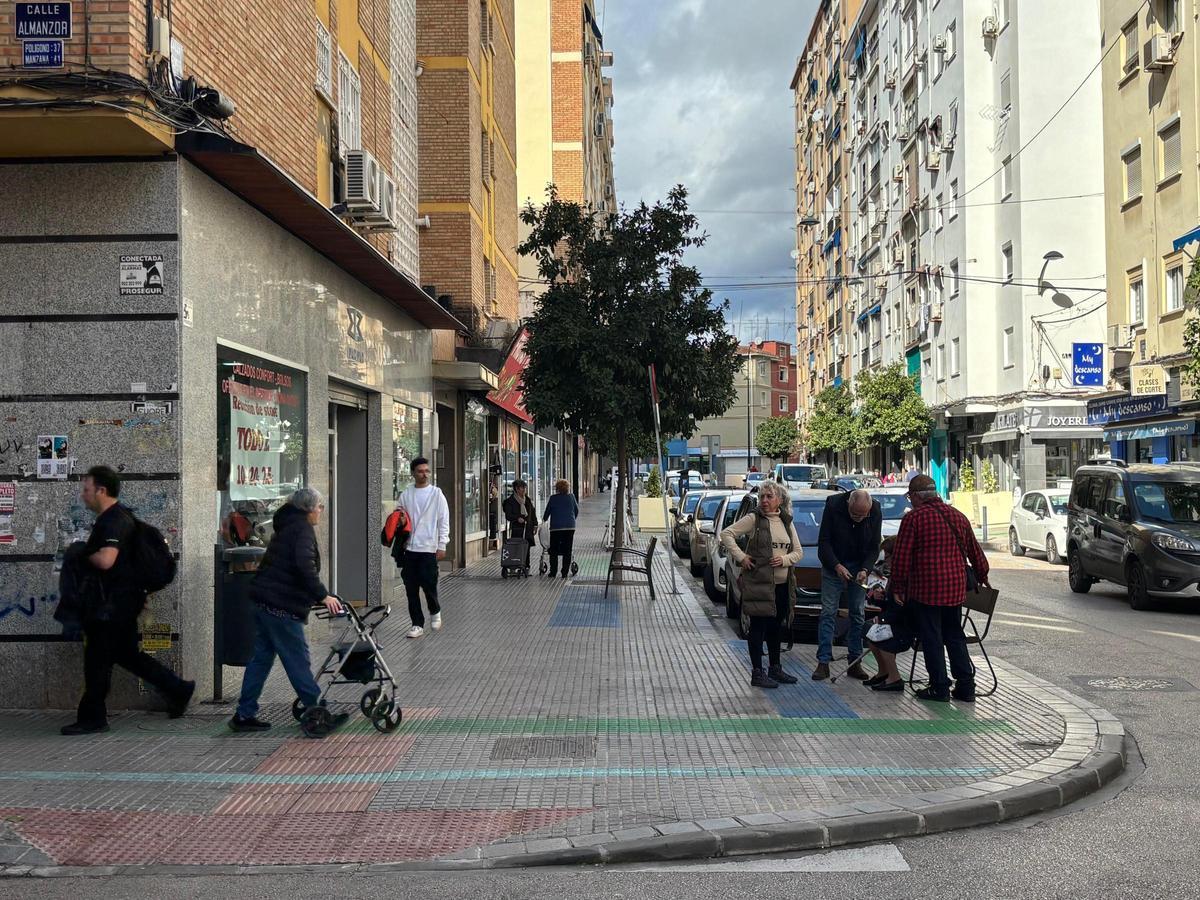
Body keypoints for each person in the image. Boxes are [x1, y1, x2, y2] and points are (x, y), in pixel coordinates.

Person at [61, 466, 195, 735]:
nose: (83, 494)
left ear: (101, 490)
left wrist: (79, 552)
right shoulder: (118, 517)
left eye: (87, 489)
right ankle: (177, 689)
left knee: (97, 660)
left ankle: (93, 717)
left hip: (112, 606)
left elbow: (106, 560)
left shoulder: (113, 520)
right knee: (126, 655)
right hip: (120, 603)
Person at [230, 487, 346, 735]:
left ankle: (244, 714)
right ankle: (316, 709)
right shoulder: (302, 529)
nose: (321, 511)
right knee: (297, 660)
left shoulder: (288, 524)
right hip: (281, 606)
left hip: (264, 601)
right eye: (320, 506)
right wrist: (323, 596)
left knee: (261, 659)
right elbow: (305, 567)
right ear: (309, 509)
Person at [890, 474, 990, 702]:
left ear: (916, 496)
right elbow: (975, 551)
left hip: (926, 591)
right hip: (955, 590)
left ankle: (939, 687)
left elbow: (902, 558)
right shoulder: (958, 516)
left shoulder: (914, 519)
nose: (910, 501)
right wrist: (982, 574)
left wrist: (898, 586)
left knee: (932, 638)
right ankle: (966, 686)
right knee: (955, 635)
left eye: (910, 497)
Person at [720, 481, 803, 689]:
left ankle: (775, 668)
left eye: (769, 496)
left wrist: (784, 560)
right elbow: (726, 534)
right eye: (762, 497)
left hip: (782, 585)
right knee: (758, 627)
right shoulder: (754, 519)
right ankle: (757, 672)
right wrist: (742, 557)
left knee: (776, 627)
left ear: (779, 500)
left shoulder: (786, 521)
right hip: (759, 584)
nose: (764, 501)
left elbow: (798, 552)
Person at [813, 488, 882, 681]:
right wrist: (836, 565)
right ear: (848, 504)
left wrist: (865, 569)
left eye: (863, 515)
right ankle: (823, 662)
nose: (858, 519)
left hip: (859, 566)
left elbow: (874, 546)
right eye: (855, 514)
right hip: (834, 564)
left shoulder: (875, 510)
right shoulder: (833, 505)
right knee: (828, 612)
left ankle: (855, 661)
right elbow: (824, 542)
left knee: (857, 613)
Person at [397, 457, 451, 639]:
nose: (424, 474)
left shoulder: (436, 494)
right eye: (420, 471)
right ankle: (416, 624)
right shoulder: (406, 494)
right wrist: (400, 520)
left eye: (427, 471)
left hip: (429, 548)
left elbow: (444, 520)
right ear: (413, 473)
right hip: (410, 548)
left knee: (429, 585)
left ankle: (435, 611)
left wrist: (442, 544)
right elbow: (398, 515)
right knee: (411, 588)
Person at [862, 537, 915, 692]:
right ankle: (884, 672)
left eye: (888, 557)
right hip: (897, 620)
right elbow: (892, 604)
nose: (885, 561)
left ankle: (895, 678)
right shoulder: (896, 576)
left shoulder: (906, 578)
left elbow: (902, 608)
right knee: (868, 630)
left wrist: (882, 618)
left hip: (906, 625)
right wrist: (878, 598)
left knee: (882, 636)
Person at [542, 479, 579, 579]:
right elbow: (576, 511)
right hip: (570, 527)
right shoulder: (571, 497)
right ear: (567, 488)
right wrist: (571, 520)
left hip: (556, 528)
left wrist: (544, 519)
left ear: (557, 488)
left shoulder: (553, 498)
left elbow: (547, 513)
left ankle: (553, 572)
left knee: (554, 550)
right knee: (567, 550)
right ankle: (564, 573)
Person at [504, 479, 538, 545]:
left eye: (525, 488)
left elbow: (533, 513)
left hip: (528, 529)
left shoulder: (527, 500)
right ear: (517, 489)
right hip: (517, 530)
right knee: (518, 548)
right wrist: (517, 518)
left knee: (527, 548)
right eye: (522, 488)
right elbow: (508, 516)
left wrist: (535, 524)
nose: (524, 490)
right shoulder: (510, 501)